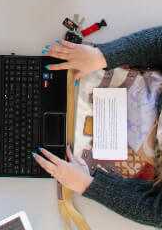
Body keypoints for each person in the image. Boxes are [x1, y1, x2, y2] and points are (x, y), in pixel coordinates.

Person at [36, 27, 162, 225]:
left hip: (104, 153)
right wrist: (103, 56)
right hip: (112, 82)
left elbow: (156, 212)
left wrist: (87, 185)